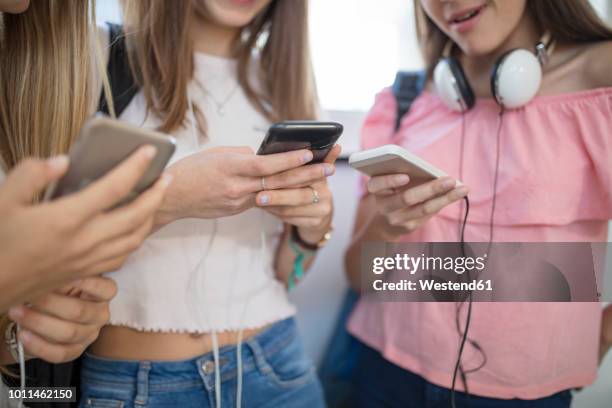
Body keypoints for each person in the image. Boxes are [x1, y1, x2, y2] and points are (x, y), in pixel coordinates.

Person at [345, 0, 612, 407]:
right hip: (383, 366)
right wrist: (387, 227)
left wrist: (605, 333)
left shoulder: (602, 75)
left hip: (523, 389)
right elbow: (358, 276)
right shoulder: (406, 98)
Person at [80, 0, 336, 407]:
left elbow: (286, 277)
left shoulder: (283, 85)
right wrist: (169, 200)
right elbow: (48, 249)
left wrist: (314, 229)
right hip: (137, 383)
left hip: (277, 366)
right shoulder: (95, 56)